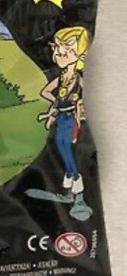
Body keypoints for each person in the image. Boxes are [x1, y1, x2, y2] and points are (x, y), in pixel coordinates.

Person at [39, 25, 93, 221]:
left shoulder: (78, 78)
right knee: (60, 147)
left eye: (67, 51)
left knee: (68, 150)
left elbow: (82, 100)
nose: (60, 55)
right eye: (59, 50)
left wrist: (80, 117)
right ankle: (71, 183)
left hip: (71, 118)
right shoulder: (62, 77)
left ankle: (77, 185)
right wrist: (52, 111)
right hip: (61, 117)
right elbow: (45, 92)